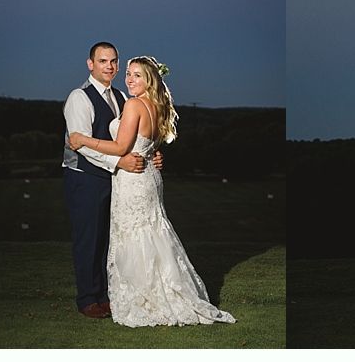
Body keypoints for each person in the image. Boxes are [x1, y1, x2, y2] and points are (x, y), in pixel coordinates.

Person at [69, 56, 235, 327]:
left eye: (137, 75)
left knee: (134, 235)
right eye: (128, 74)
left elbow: (121, 147)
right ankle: (159, 291)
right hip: (148, 176)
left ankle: (144, 299)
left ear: (150, 80)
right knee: (152, 232)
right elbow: (147, 143)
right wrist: (152, 154)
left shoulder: (134, 104)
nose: (129, 79)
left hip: (133, 179)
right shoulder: (158, 105)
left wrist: (82, 139)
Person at [62, 42, 162, 319]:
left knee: (110, 240)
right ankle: (87, 299)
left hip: (116, 179)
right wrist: (119, 162)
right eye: (103, 61)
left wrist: (151, 154)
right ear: (90, 64)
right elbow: (80, 145)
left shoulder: (120, 96)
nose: (110, 66)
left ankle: (106, 295)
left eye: (114, 61)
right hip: (85, 177)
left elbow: (132, 137)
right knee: (89, 240)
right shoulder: (79, 98)